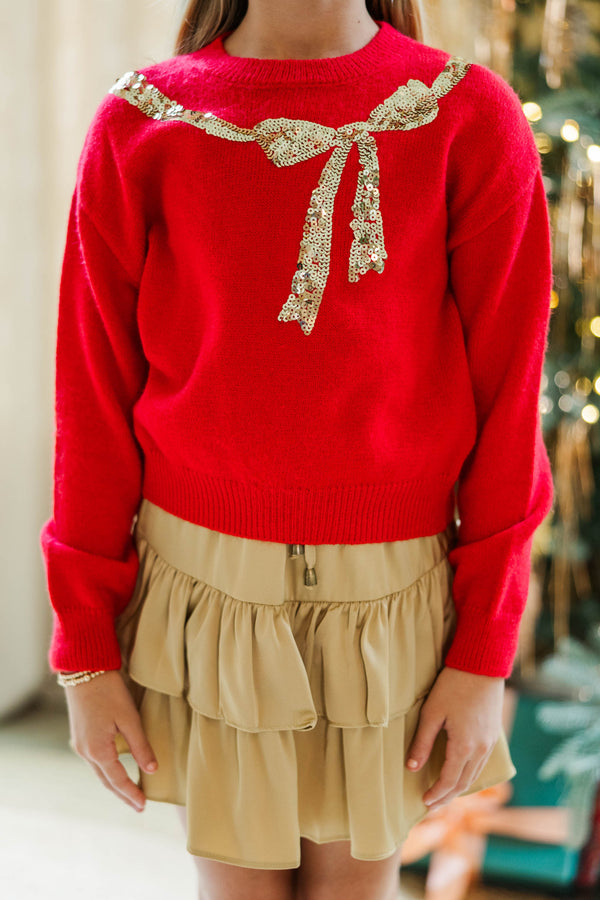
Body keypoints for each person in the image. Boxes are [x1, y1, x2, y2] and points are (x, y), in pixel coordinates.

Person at [39, 0, 554, 897]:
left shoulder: (466, 115)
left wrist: (482, 655)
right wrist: (84, 646)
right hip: (203, 599)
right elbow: (91, 401)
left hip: (393, 604)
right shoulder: (143, 120)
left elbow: (509, 407)